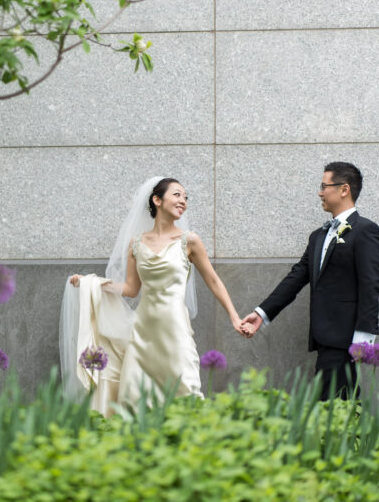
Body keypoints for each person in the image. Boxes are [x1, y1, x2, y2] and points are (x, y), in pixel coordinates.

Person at [60, 177, 245, 413]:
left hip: (175, 330)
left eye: (186, 197)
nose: (183, 201)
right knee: (135, 400)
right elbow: (130, 289)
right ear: (157, 200)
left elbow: (213, 280)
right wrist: (92, 283)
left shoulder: (190, 241)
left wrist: (234, 317)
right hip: (142, 334)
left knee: (184, 392)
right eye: (177, 195)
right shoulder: (136, 244)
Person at [239, 162, 379, 400]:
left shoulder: (366, 230)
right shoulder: (318, 236)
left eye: (324, 186)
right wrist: (262, 313)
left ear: (344, 189)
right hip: (323, 336)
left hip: (346, 338)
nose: (320, 192)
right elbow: (296, 277)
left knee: (335, 405)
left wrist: (364, 338)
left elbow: (371, 285)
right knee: (336, 404)